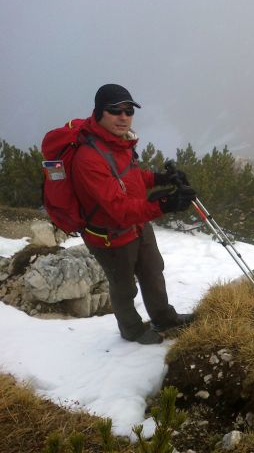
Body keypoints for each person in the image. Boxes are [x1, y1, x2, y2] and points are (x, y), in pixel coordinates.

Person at [72, 84, 197, 344]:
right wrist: (164, 204)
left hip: (137, 225)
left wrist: (160, 178)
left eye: (128, 110)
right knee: (124, 286)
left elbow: (131, 176)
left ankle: (163, 317)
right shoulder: (88, 158)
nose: (123, 116)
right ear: (98, 113)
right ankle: (131, 329)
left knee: (153, 270)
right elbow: (118, 209)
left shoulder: (120, 143)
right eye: (114, 110)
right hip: (110, 235)